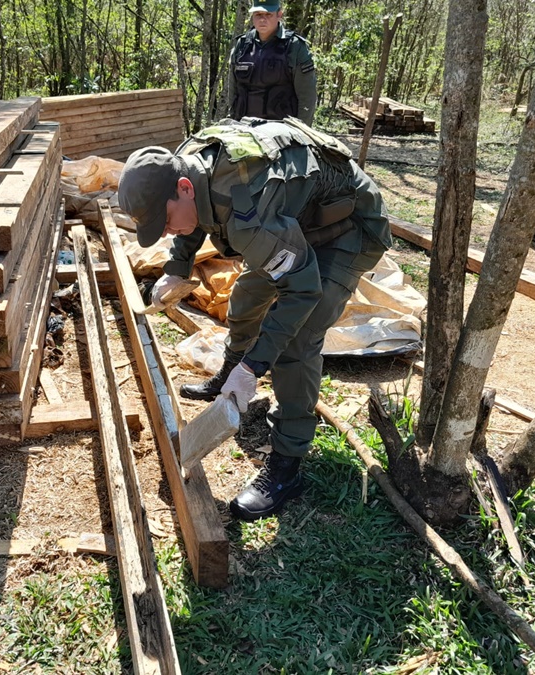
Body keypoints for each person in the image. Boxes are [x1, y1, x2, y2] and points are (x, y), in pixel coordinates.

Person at [117, 117, 391, 521]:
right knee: (247, 295)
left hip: (347, 228)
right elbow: (194, 217)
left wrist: (255, 366)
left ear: (183, 188)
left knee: (298, 339)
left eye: (166, 220)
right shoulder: (186, 165)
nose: (167, 231)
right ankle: (228, 372)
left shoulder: (248, 209)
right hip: (296, 218)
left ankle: (286, 464)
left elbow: (301, 291)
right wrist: (177, 266)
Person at [229, 2, 317, 125]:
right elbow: (233, 91)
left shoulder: (294, 46)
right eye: (258, 14)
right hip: (243, 129)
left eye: (268, 14)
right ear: (252, 16)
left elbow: (307, 98)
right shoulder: (242, 45)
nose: (262, 19)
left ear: (279, 14)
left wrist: (302, 133)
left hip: (282, 134)